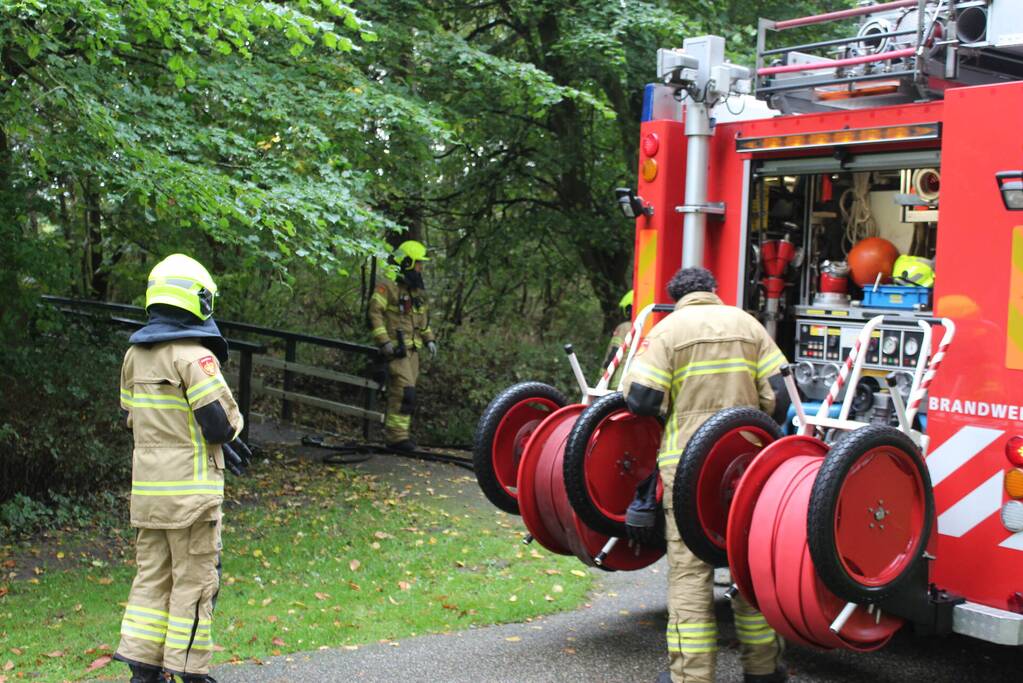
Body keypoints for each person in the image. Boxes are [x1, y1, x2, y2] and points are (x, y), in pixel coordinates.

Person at [620, 267, 788, 683]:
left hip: (687, 472)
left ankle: (693, 678)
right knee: (748, 566)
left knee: (690, 575)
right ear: (713, 292)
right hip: (745, 470)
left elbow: (641, 400)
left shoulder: (668, 332)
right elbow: (781, 395)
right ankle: (764, 670)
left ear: (676, 297)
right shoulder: (747, 325)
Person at [113, 254, 251, 683]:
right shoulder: (195, 357)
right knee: (195, 583)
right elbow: (221, 423)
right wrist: (228, 439)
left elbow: (135, 416)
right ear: (199, 301)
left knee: (151, 580)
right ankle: (191, 674)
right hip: (192, 498)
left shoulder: (135, 357)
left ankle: (143, 673)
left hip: (149, 497)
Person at [368, 240, 437, 452]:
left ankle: (401, 436)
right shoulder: (387, 286)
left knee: (409, 393)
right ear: (406, 263)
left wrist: (430, 339)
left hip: (413, 351)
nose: (420, 268)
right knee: (404, 390)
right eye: (418, 264)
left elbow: (422, 321)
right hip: (396, 352)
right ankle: (396, 438)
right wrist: (385, 342)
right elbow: (374, 313)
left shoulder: (415, 292)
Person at [603, 289, 634, 388]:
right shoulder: (654, 329)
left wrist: (602, 378)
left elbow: (614, 354)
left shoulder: (625, 327)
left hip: (620, 383)